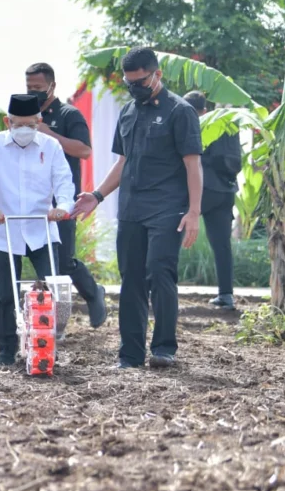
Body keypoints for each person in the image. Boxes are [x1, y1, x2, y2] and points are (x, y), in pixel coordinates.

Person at [73, 47, 203, 369]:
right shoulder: (128, 112)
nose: (135, 88)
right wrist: (97, 195)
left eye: (140, 81)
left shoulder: (180, 111)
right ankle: (129, 355)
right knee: (131, 279)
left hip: (168, 208)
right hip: (131, 208)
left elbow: (193, 165)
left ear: (157, 74)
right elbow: (123, 162)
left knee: (160, 273)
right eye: (130, 83)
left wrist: (194, 212)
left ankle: (163, 349)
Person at [0, 63, 107, 333]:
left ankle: (91, 294)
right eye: (29, 88)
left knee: (61, 262)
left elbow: (85, 151)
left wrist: (50, 134)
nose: (33, 92)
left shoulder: (68, 115)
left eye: (38, 88)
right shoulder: (22, 113)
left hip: (58, 201)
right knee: (10, 265)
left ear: (52, 86)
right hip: (21, 206)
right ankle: (9, 318)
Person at [0, 95, 75, 367]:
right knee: (5, 294)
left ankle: (45, 346)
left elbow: (64, 181)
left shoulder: (51, 147)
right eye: (19, 124)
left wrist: (62, 207)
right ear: (8, 122)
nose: (25, 130)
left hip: (42, 227)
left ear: (39, 122)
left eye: (31, 124)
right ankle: (6, 351)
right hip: (4, 228)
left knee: (52, 288)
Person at [185, 90, 241, 310]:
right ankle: (226, 296)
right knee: (222, 245)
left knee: (170, 232)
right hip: (226, 191)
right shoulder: (229, 125)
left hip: (204, 190)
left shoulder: (196, 125)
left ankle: (156, 288)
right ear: (205, 108)